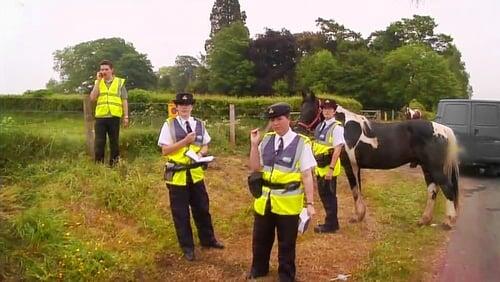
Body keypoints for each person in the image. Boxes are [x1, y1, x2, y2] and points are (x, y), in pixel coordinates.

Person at [248, 102, 316, 282]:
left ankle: (286, 275)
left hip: (288, 203)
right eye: (272, 120)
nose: (275, 123)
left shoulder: (302, 143)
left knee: (286, 242)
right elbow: (255, 168)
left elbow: (307, 175)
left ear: (289, 119)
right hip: (265, 200)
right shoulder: (267, 140)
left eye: (279, 119)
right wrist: (254, 145)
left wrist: (310, 204)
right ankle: (259, 268)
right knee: (260, 238)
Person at [157, 92, 223, 262]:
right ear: (176, 107)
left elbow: (205, 144)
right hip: (178, 175)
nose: (184, 107)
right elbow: (165, 150)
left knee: (202, 208)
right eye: (181, 104)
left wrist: (202, 153)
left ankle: (208, 240)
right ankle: (187, 247)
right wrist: (185, 141)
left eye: (187, 104)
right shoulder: (169, 125)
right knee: (181, 213)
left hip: (196, 174)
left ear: (192, 106)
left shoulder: (199, 124)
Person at [312, 99, 345, 233]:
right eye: (324, 108)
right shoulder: (320, 126)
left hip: (328, 168)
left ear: (334, 111)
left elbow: (337, 149)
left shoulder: (337, 127)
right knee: (323, 195)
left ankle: (330, 224)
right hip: (320, 166)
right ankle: (332, 222)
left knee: (329, 196)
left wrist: (331, 169)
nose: (326, 111)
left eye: (329, 109)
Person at [89, 59, 129, 166]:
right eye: (102, 69)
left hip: (114, 117)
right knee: (99, 142)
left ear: (112, 70)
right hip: (101, 117)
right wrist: (97, 82)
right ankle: (99, 165)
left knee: (114, 142)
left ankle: (114, 165)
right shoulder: (98, 82)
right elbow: (92, 98)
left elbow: (124, 100)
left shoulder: (120, 83)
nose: (104, 71)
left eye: (106, 69)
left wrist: (126, 116)